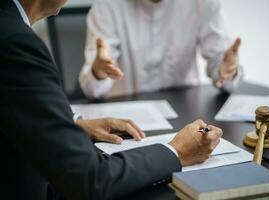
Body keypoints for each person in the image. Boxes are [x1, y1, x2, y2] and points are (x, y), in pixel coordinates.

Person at [0, 0, 222, 199]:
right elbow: (89, 179)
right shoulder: (16, 41)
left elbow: (14, 101)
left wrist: (74, 122)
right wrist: (176, 152)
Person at [79, 0, 243, 98]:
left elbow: (223, 74)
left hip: (186, 114)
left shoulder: (201, 2)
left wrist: (226, 71)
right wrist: (98, 72)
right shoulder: (107, 5)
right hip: (123, 114)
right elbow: (92, 90)